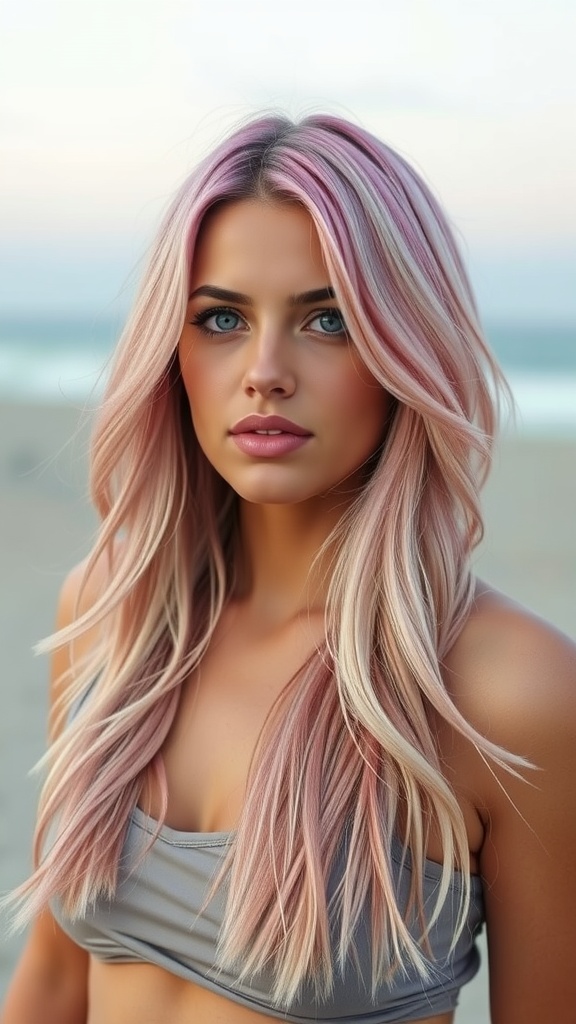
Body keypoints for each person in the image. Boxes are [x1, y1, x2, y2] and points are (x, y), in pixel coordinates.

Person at [2, 113, 575, 1024]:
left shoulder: (511, 691)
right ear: (172, 352)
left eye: (328, 320)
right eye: (221, 318)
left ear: (406, 351)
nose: (265, 371)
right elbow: (54, 985)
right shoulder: (114, 611)